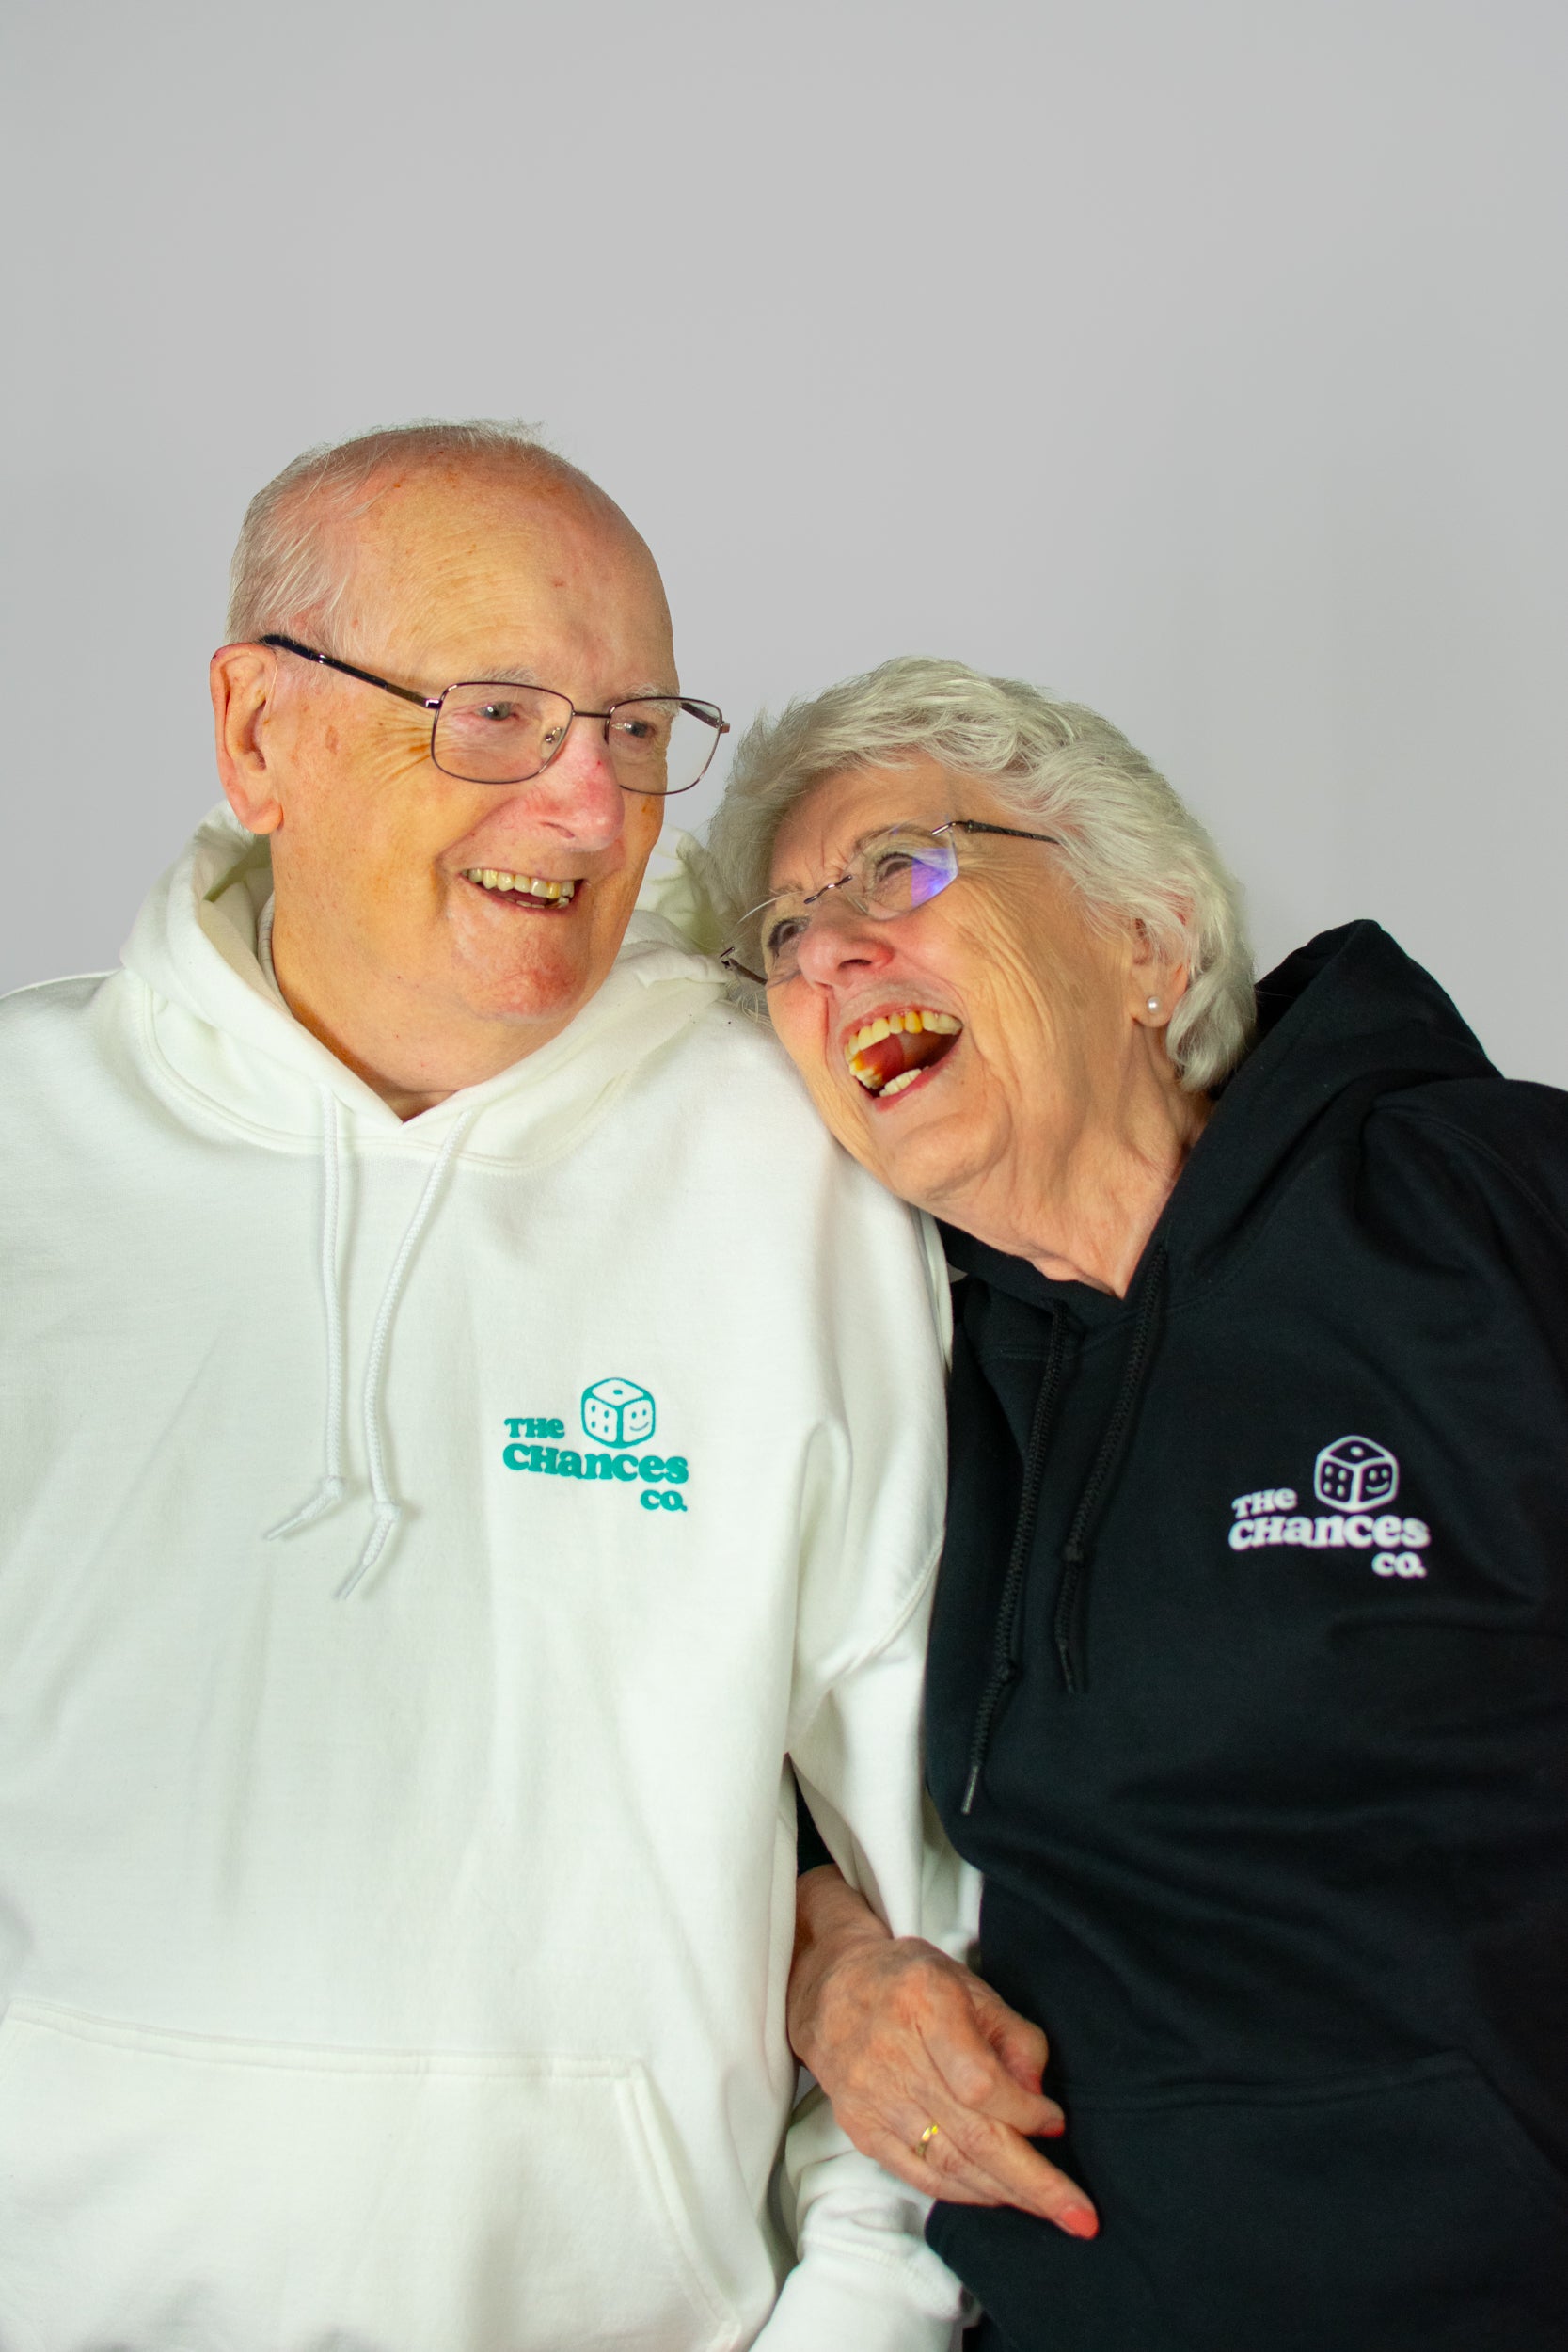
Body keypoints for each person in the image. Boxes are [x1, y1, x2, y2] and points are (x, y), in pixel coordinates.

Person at [0, 425, 972, 2350]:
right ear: (256, 732)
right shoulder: (23, 1145)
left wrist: (857, 2322)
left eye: (633, 727)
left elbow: (944, 1875)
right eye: (503, 713)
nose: (596, 808)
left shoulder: (801, 1172)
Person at [705, 655, 1568, 2352]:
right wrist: (828, 1975)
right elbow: (709, 1744)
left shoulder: (1490, 1213)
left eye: (899, 870)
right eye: (788, 931)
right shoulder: (880, 1364)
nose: (830, 950)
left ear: (1144, 944)